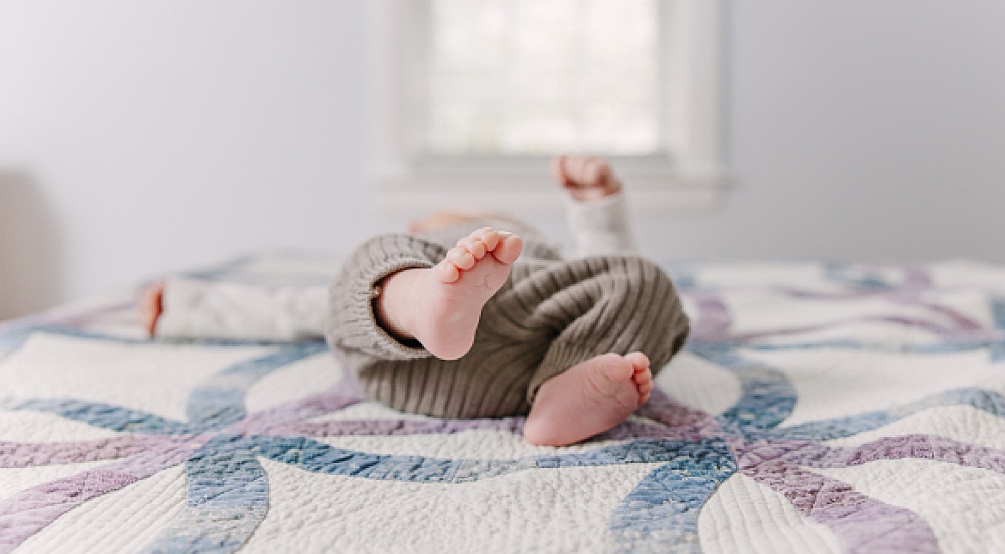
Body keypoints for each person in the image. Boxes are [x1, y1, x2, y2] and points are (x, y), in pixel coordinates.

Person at [140, 156, 689, 446]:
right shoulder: (425, 249)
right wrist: (191, 307)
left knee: (640, 280)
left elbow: (609, 264)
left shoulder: (547, 259)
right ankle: (422, 301)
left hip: (527, 365)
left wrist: (595, 202)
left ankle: (563, 396)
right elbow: (296, 308)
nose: (472, 229)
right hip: (410, 358)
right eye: (449, 223)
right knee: (363, 270)